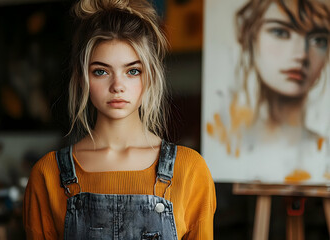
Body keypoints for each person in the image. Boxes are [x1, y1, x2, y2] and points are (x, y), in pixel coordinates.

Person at [23, 0, 216, 239]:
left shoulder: (189, 170)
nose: (117, 86)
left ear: (151, 76)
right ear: (82, 78)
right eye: (101, 71)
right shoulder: (48, 174)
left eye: (132, 71)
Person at [206, 0, 330, 183]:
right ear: (249, 36)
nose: (301, 54)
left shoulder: (323, 150)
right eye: (280, 32)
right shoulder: (225, 142)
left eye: (318, 39)